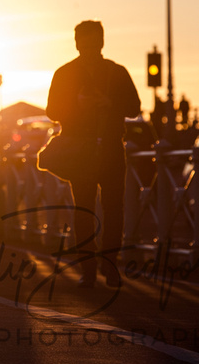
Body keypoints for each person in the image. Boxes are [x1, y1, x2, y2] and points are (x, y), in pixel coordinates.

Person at [46, 20, 140, 288]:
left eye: (92, 45)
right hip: (81, 150)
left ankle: (108, 269)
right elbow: (52, 111)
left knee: (111, 209)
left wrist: (110, 103)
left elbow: (134, 107)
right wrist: (77, 104)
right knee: (86, 209)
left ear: (101, 43)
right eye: (84, 45)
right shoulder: (65, 74)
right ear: (77, 44)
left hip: (110, 148)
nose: (87, 50)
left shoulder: (116, 73)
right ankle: (89, 269)